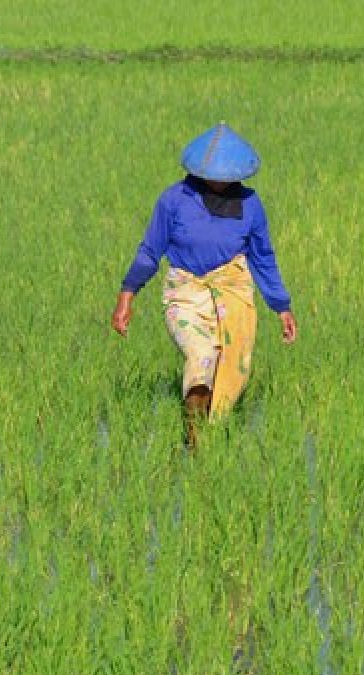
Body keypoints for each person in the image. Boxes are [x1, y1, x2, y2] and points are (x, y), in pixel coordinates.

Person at [111, 123, 298, 447]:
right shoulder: (174, 200)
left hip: (233, 291)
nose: (222, 182)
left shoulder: (250, 204)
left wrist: (281, 307)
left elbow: (263, 257)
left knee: (232, 368)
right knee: (201, 356)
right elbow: (150, 250)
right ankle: (194, 439)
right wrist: (127, 295)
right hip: (186, 292)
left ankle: (215, 432)